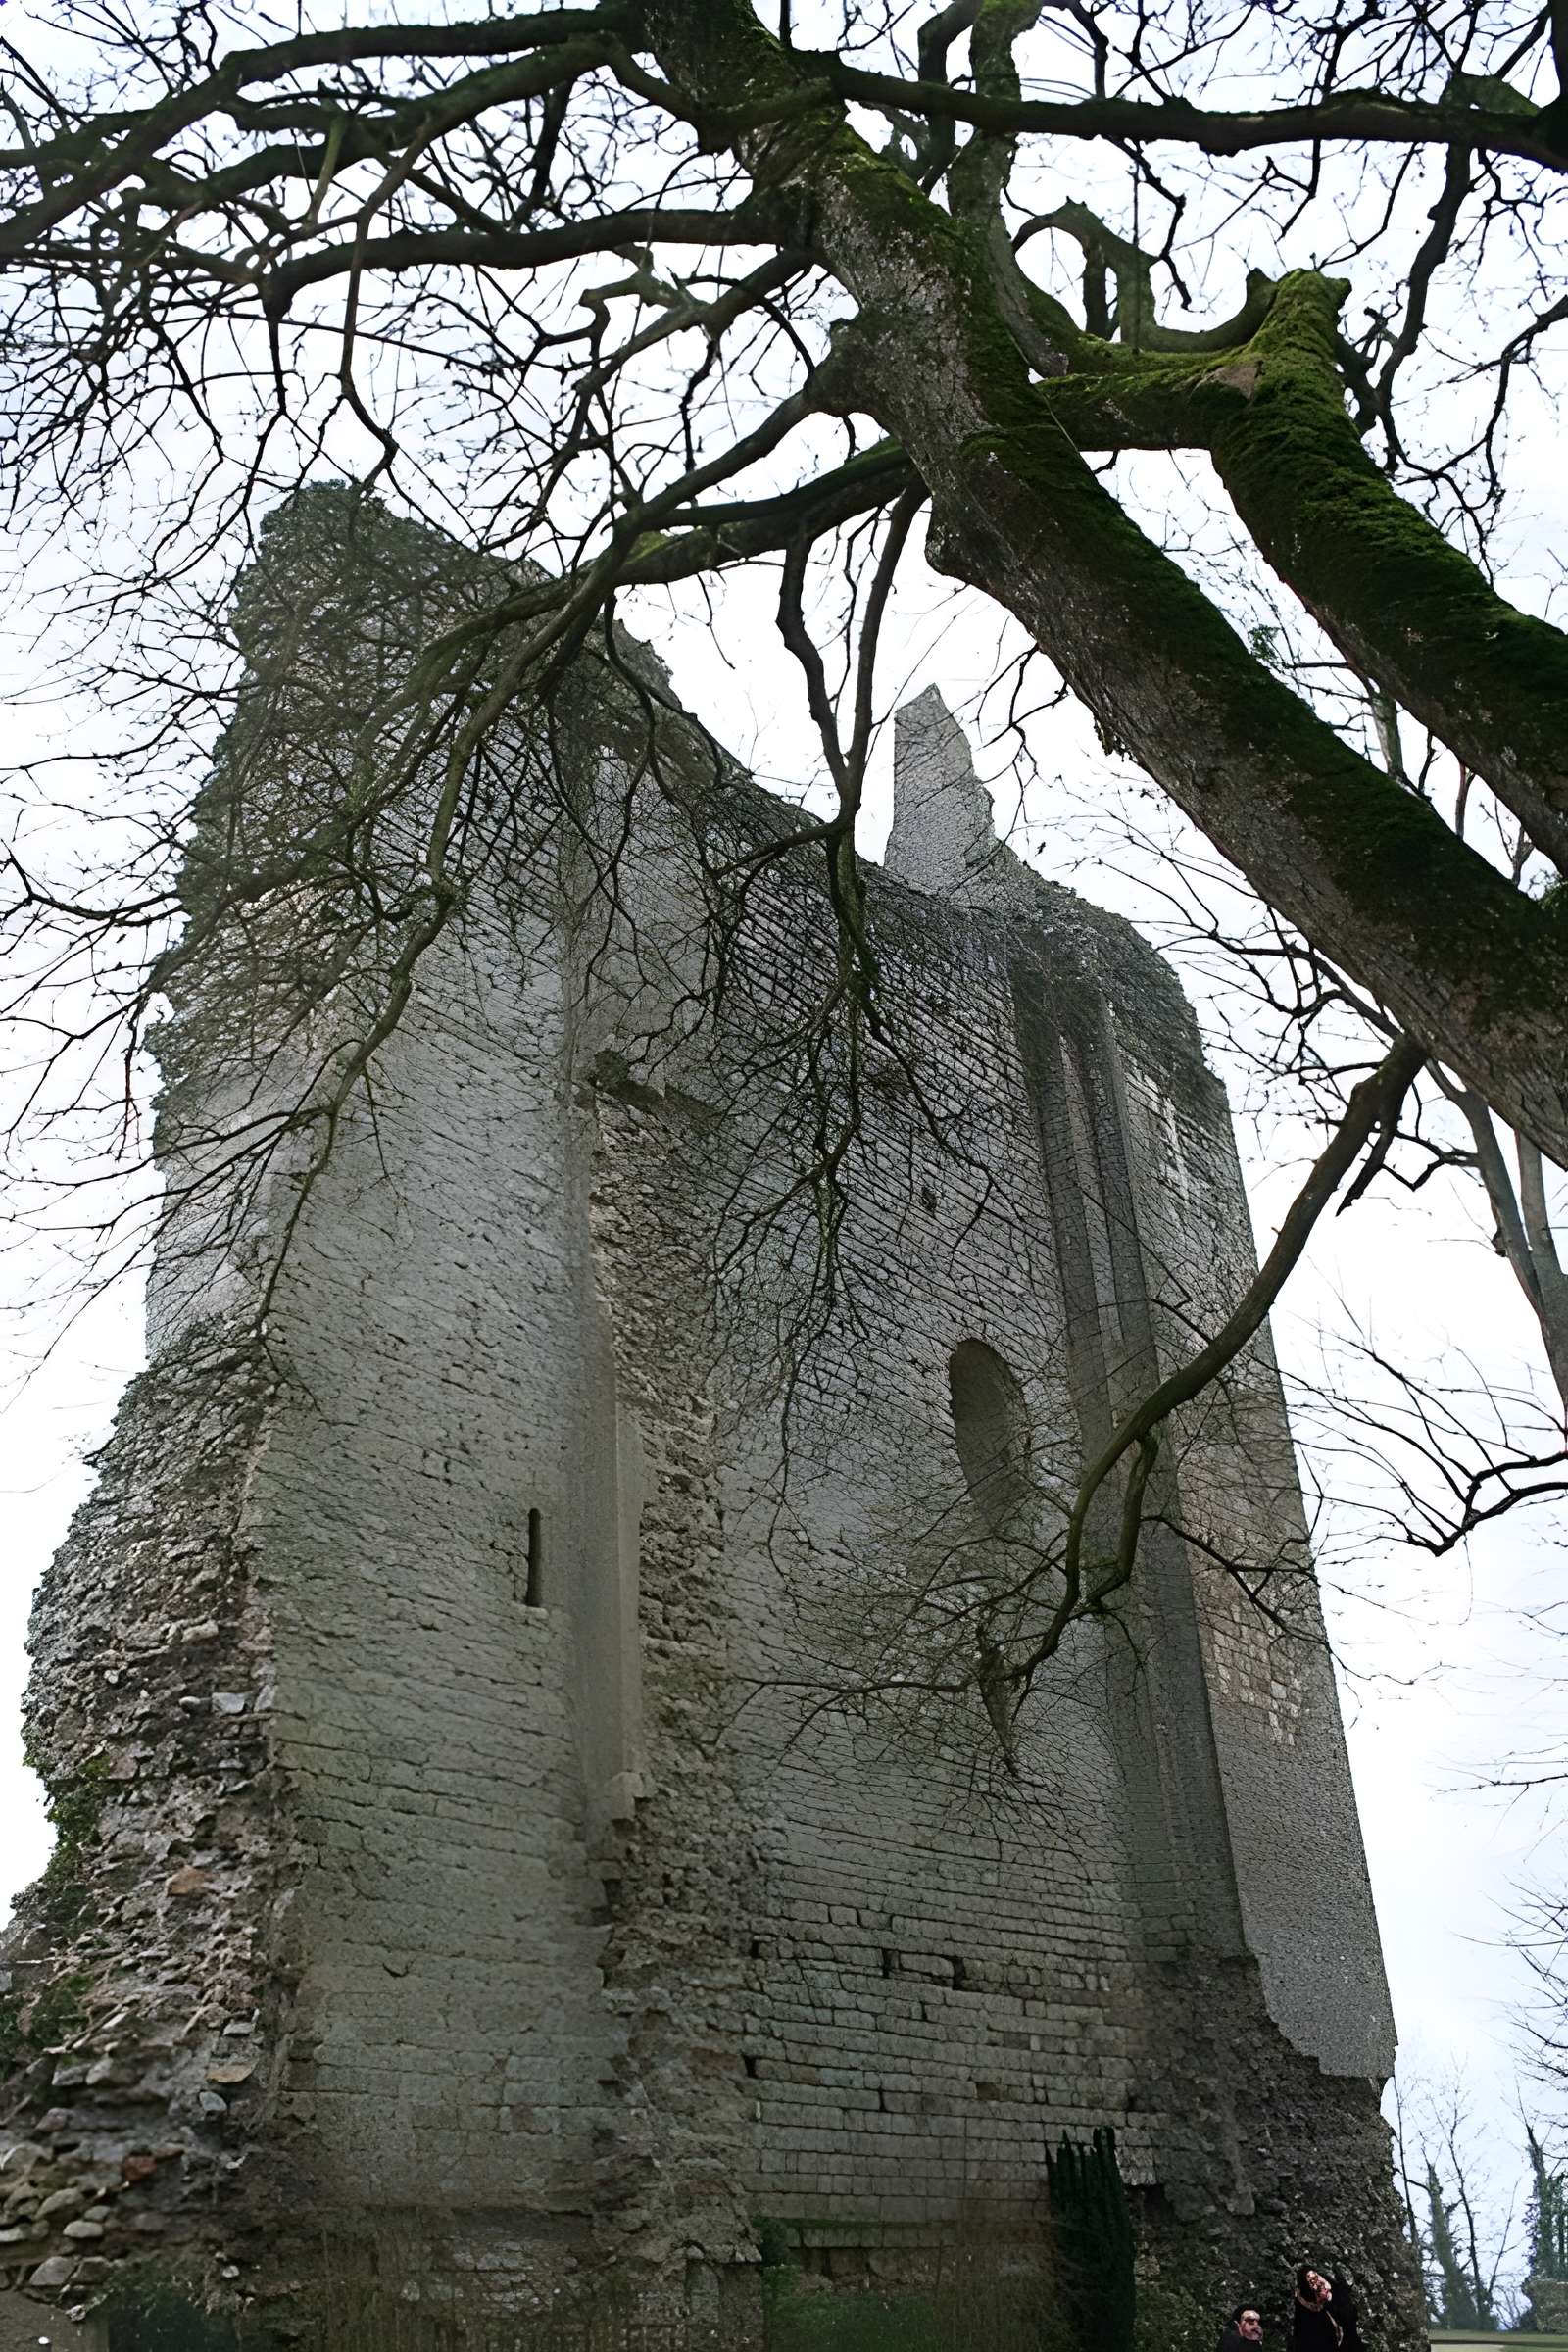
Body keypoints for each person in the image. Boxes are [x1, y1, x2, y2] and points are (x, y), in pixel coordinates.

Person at [1292, 2267, 1344, 2352]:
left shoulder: (1329, 2300)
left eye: (1317, 2276)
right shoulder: (1307, 2326)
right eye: (1314, 2282)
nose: (1325, 2285)